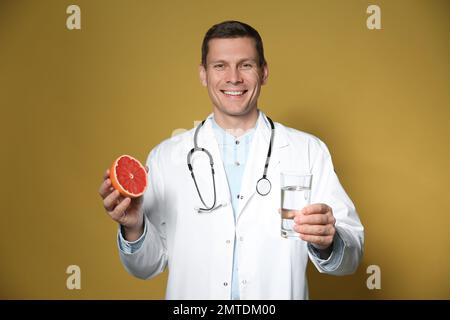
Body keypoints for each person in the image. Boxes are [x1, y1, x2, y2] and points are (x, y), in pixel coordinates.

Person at [98, 20, 364, 300]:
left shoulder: (308, 151)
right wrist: (134, 227)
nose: (234, 77)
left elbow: (351, 255)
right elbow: (146, 266)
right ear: (203, 74)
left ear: (264, 72)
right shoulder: (167, 157)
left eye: (246, 65)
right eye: (220, 65)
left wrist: (328, 242)